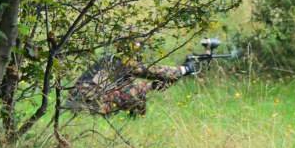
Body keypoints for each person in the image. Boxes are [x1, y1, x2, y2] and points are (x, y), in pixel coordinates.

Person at [66, 53, 197, 117]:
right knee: (137, 93)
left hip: (73, 104)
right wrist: (184, 69)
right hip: (89, 105)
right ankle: (137, 119)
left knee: (132, 89)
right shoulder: (121, 63)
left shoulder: (109, 61)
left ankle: (134, 118)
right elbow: (154, 71)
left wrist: (153, 86)